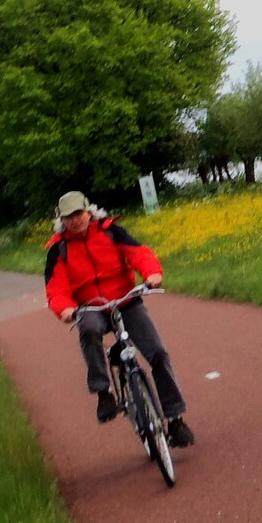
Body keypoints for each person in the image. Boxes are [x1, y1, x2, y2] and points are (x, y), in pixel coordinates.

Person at [44, 191, 194, 447]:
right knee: (88, 329)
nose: (75, 220)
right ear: (61, 220)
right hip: (90, 308)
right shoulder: (59, 249)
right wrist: (66, 309)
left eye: (78, 214)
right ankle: (103, 392)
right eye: (68, 217)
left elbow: (139, 254)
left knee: (158, 353)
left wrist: (152, 274)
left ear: (88, 211)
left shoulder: (110, 231)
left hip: (125, 300)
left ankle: (175, 419)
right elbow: (55, 288)